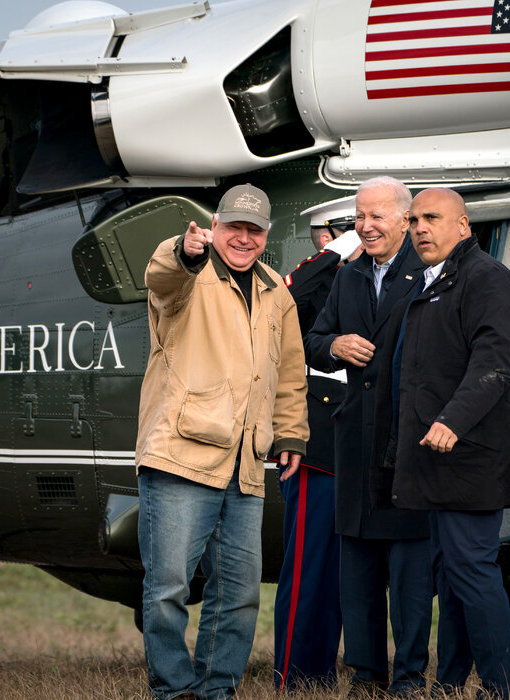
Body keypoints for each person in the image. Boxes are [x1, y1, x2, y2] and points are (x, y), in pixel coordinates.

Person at [135, 183, 309, 700]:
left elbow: (291, 372)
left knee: (238, 592)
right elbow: (162, 277)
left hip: (246, 463)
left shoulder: (278, 291)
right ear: (214, 226)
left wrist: (292, 432)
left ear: (266, 235)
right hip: (181, 453)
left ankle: (217, 690)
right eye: (234, 227)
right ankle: (171, 689)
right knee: (167, 587)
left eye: (254, 230)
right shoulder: (189, 272)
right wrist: (183, 252)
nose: (243, 238)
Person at [371, 187, 510, 699]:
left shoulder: (487, 279)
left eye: (432, 218)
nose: (420, 228)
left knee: (473, 572)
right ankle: (450, 684)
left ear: (464, 226)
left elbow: (495, 362)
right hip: (435, 459)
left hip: (471, 456)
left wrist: (453, 421)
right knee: (453, 576)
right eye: (414, 219)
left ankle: (499, 689)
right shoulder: (431, 281)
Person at [304, 176, 432, 695]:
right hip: (355, 439)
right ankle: (365, 672)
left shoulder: (427, 274)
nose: (365, 225)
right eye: (360, 216)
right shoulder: (349, 275)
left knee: (407, 571)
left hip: (406, 440)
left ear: (405, 220)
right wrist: (335, 345)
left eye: (377, 216)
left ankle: (408, 675)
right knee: (355, 567)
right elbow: (311, 340)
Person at [273, 196, 362, 692]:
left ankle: (328, 670)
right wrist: (339, 250)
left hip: (363, 438)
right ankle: (299, 672)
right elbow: (286, 294)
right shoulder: (317, 279)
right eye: (352, 229)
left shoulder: (377, 279)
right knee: (310, 567)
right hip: (320, 439)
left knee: (347, 573)